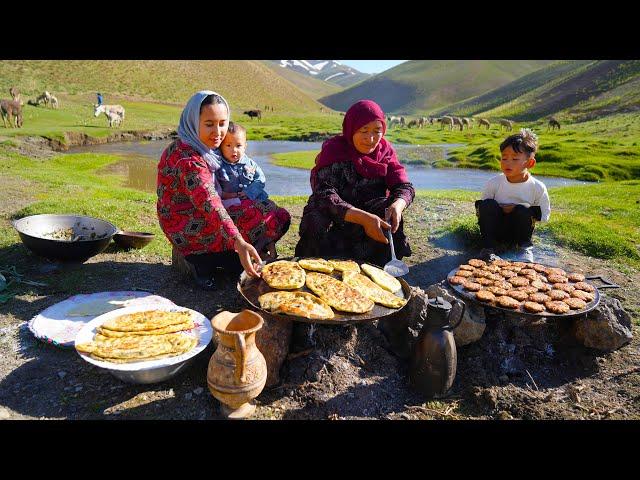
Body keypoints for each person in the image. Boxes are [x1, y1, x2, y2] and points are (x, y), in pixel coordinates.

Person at [156, 91, 290, 290]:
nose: (218, 132)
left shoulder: (201, 146)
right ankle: (202, 262)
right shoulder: (188, 159)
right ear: (194, 121)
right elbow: (210, 204)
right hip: (188, 226)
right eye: (209, 124)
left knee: (270, 212)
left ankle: (234, 257)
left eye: (222, 123)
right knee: (269, 217)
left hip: (199, 217)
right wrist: (238, 241)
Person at [295, 100, 414, 267]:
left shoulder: (386, 151)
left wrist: (398, 204)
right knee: (316, 215)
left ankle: (378, 269)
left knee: (390, 214)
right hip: (337, 214)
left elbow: (404, 186)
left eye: (377, 131)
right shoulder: (335, 150)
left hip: (372, 215)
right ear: (351, 129)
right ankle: (314, 266)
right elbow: (324, 193)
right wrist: (362, 218)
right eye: (363, 131)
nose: (370, 139)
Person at [475, 128, 550, 262]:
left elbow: (544, 216)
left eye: (515, 158)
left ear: (530, 163)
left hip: (519, 233)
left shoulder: (537, 187)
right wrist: (501, 208)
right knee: (487, 204)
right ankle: (488, 248)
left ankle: (523, 250)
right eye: (504, 158)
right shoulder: (494, 183)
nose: (507, 163)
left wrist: (518, 208)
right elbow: (482, 212)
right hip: (496, 231)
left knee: (522, 211)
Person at [214, 122, 282, 259]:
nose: (234, 150)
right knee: (251, 219)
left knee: (274, 215)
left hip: (255, 200)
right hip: (234, 206)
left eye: (238, 146)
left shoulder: (250, 163)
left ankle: (268, 246)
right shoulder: (218, 165)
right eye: (228, 145)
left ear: (245, 146)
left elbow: (260, 180)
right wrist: (229, 196)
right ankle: (253, 251)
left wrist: (249, 193)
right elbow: (216, 190)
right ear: (221, 146)